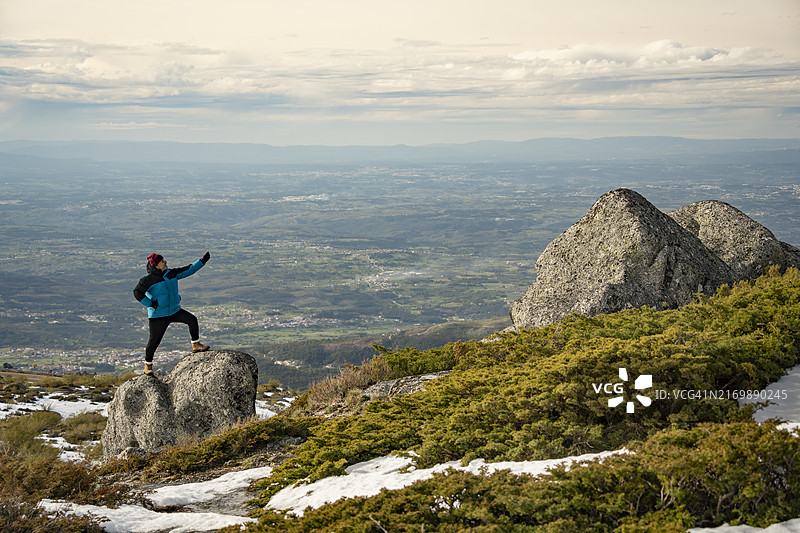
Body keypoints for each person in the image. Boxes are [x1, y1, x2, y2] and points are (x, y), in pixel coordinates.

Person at [133, 252, 211, 376]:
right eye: (162, 261)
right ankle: (148, 366)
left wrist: (202, 261)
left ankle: (195, 345)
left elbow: (189, 270)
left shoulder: (171, 274)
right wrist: (151, 304)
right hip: (158, 315)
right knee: (154, 341)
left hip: (174, 310)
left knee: (192, 320)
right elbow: (137, 292)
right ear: (156, 265)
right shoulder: (148, 280)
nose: (165, 262)